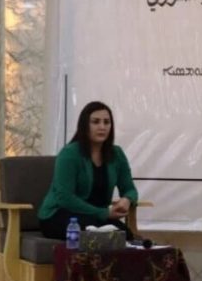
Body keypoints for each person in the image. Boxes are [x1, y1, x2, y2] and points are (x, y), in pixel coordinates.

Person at [38, 101, 139, 241]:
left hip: (96, 217)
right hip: (60, 215)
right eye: (96, 122)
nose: (102, 127)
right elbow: (65, 198)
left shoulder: (117, 154)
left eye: (106, 122)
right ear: (84, 125)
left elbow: (130, 189)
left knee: (124, 235)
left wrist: (127, 199)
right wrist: (104, 213)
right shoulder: (69, 153)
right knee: (96, 234)